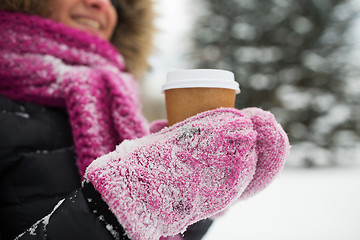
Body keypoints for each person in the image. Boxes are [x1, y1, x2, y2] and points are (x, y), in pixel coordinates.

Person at [0, 0, 290, 240]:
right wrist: (127, 203)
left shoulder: (114, 103)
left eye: (114, 1)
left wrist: (201, 193)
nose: (100, 4)